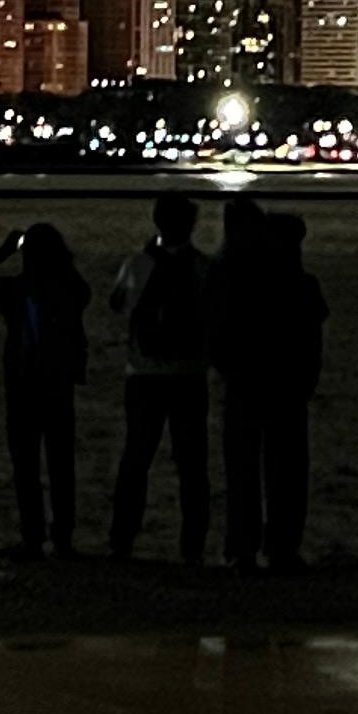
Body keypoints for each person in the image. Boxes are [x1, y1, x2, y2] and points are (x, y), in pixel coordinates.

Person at [0, 221, 89, 556]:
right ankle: (63, 537)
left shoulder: (16, 290)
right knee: (61, 466)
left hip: (22, 386)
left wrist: (3, 252)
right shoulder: (68, 289)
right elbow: (82, 292)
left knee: (26, 467)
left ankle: (33, 536)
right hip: (58, 386)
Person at [105, 195, 212, 562]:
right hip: (189, 375)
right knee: (193, 464)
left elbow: (117, 303)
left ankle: (122, 539)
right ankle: (193, 545)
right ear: (192, 224)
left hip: (143, 374)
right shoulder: (203, 268)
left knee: (135, 458)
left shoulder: (136, 264)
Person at [245, 210, 327, 569]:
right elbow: (314, 335)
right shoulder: (304, 284)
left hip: (260, 381)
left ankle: (256, 544)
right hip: (292, 385)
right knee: (291, 469)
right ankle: (284, 544)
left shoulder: (255, 282)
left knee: (255, 467)